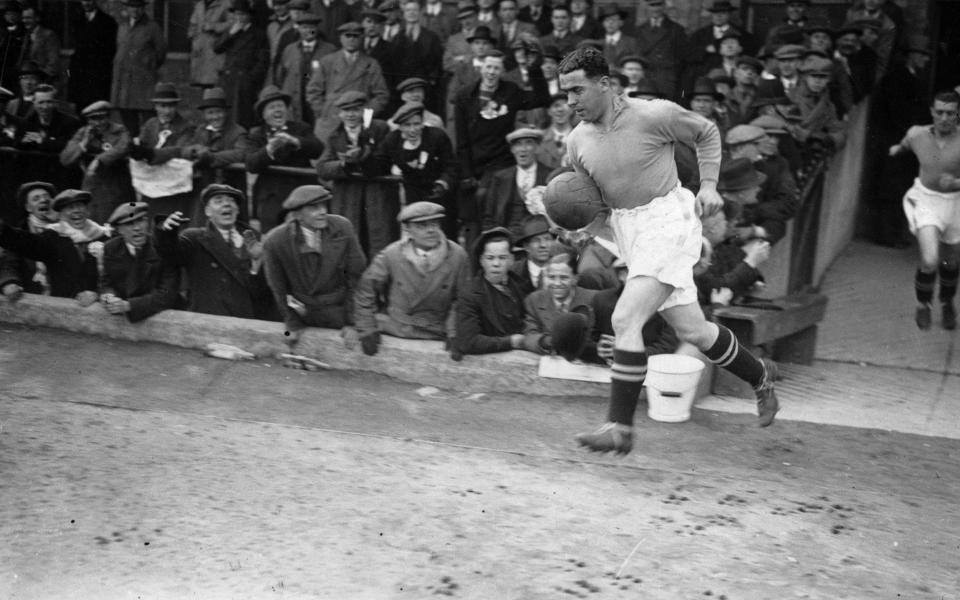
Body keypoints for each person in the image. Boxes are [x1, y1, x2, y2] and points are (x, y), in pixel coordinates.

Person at [556, 47, 779, 455]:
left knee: (626, 318)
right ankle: (760, 376)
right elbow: (591, 203)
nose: (570, 102)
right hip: (628, 231)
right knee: (694, 330)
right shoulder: (576, 142)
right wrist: (581, 229)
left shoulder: (652, 114)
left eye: (576, 91)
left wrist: (709, 184)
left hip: (669, 221)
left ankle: (619, 427)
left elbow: (707, 132)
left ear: (605, 84)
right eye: (564, 94)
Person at [353, 201, 469, 356]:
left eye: (434, 224)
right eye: (421, 226)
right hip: (398, 327)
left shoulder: (457, 255)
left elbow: (463, 299)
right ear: (407, 229)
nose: (431, 230)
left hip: (438, 330)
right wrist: (366, 328)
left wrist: (454, 331)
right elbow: (365, 291)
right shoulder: (391, 254)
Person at [889, 90, 960, 331]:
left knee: (950, 263)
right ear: (932, 112)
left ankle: (947, 301)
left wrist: (957, 183)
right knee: (930, 260)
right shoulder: (917, 133)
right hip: (927, 200)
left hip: (955, 204)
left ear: (957, 114)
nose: (944, 117)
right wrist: (897, 149)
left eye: (950, 113)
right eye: (939, 112)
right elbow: (906, 143)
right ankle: (923, 304)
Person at [262, 185, 367, 347]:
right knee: (288, 341)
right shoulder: (275, 241)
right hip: (304, 315)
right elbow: (279, 288)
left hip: (341, 312)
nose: (322, 211)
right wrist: (291, 324)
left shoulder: (342, 227)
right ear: (297, 215)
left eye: (324, 205)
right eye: (314, 207)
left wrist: (353, 323)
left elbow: (357, 278)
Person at [157, 184, 275, 320]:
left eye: (231, 201)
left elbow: (264, 292)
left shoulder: (256, 240)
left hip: (245, 322)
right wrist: (167, 233)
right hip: (208, 320)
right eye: (218, 201)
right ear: (208, 211)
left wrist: (256, 265)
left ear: (237, 210)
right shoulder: (195, 238)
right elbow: (170, 254)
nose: (227, 204)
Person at [316, 90, 394, 256]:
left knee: (379, 243)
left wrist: (363, 156)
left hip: (376, 196)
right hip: (348, 198)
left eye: (355, 110)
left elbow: (385, 159)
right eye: (346, 111)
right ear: (340, 113)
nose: (350, 115)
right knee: (351, 243)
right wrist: (344, 164)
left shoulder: (380, 129)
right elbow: (322, 167)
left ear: (364, 111)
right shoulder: (335, 136)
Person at [0, 189, 107, 304]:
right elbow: (27, 242)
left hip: (102, 307)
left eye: (80, 206)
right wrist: (2, 230)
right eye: (70, 208)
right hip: (64, 308)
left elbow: (115, 276)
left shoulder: (105, 236)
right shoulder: (53, 237)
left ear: (87, 210)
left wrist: (97, 294)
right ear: (61, 215)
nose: (76, 211)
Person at [245, 85, 324, 231]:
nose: (278, 110)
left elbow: (318, 149)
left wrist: (295, 141)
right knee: (273, 239)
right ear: (263, 114)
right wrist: (269, 149)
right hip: (271, 197)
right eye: (272, 107)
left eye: (280, 106)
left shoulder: (301, 128)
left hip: (301, 194)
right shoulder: (257, 134)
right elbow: (251, 164)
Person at [373, 101, 456, 234]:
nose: (413, 129)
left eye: (417, 124)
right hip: (412, 194)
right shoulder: (392, 140)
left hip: (439, 193)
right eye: (407, 125)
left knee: (443, 232)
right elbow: (379, 164)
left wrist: (443, 183)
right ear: (400, 127)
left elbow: (451, 166)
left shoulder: (437, 136)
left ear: (422, 123)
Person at [173, 87, 253, 222]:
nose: (215, 117)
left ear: (226, 112)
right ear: (204, 115)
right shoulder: (200, 130)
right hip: (204, 190)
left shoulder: (238, 132)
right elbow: (186, 149)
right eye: (210, 113)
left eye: (218, 112)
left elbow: (241, 154)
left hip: (230, 191)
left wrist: (210, 157)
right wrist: (196, 151)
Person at [305, 21, 391, 140]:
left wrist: (365, 114)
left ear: (362, 38)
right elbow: (313, 91)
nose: (351, 39)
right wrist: (323, 111)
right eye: (348, 36)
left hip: (357, 120)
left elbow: (382, 95)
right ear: (340, 38)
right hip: (330, 119)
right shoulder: (327, 61)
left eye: (356, 36)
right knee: (324, 155)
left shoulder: (370, 64)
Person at [456, 226, 534, 355]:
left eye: (502, 257)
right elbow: (468, 341)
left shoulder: (523, 287)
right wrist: (510, 342)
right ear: (481, 261)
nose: (496, 264)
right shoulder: (470, 294)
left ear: (511, 260)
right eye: (490, 258)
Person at [99, 201, 180, 322]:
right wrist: (108, 297)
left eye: (141, 220)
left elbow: (167, 294)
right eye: (129, 223)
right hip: (126, 323)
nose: (137, 228)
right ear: (119, 229)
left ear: (147, 222)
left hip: (168, 319)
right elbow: (106, 282)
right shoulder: (111, 248)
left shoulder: (162, 248)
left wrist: (129, 305)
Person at [60, 101, 134, 224]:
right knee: (93, 222)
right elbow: (65, 158)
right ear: (88, 120)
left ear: (108, 117)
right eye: (93, 119)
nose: (98, 123)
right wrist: (83, 143)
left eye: (102, 118)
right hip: (93, 186)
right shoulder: (83, 132)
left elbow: (123, 147)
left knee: (119, 220)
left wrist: (99, 160)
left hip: (117, 184)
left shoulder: (119, 130)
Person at [521, 244, 599, 361]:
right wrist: (548, 341)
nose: (557, 283)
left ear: (575, 279)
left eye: (563, 277)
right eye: (552, 277)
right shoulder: (534, 300)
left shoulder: (594, 299)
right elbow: (528, 337)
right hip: (549, 363)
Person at [479, 127, 551, 236]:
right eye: (518, 144)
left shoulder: (550, 176)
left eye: (528, 143)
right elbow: (489, 217)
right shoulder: (500, 178)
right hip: (508, 237)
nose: (523, 149)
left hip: (540, 237)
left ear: (537, 148)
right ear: (512, 149)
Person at [111, 0, 167, 135]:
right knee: (128, 119)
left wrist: (147, 64)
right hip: (124, 82)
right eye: (132, 7)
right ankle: (133, 148)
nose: (135, 11)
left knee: (148, 119)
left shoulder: (152, 27)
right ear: (126, 8)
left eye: (138, 7)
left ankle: (148, 149)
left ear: (143, 8)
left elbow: (161, 53)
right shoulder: (123, 26)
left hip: (143, 81)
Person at [215, 0, 269, 128]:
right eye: (237, 14)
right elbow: (217, 48)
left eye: (243, 15)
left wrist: (250, 79)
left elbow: (263, 61)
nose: (240, 18)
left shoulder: (258, 34)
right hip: (228, 80)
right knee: (227, 113)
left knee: (243, 115)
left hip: (245, 82)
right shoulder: (232, 32)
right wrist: (231, 34)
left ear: (249, 16)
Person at [0, 181, 58, 298]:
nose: (43, 200)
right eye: (36, 199)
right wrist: (10, 282)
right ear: (28, 207)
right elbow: (9, 263)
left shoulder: (68, 229)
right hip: (32, 297)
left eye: (47, 197)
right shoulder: (19, 234)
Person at [67, 0, 118, 111]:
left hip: (99, 79)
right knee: (81, 115)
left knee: (98, 115)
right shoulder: (77, 20)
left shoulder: (108, 22)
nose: (86, 3)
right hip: (81, 79)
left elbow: (111, 53)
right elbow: (76, 52)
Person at [634, 0, 686, 102]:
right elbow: (637, 54)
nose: (656, 8)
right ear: (647, 7)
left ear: (664, 6)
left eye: (659, 5)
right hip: (646, 78)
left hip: (666, 79)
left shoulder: (676, 29)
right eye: (652, 5)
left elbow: (682, 58)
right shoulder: (640, 30)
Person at [188, 0, 232, 88]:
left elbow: (232, 22)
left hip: (215, 49)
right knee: (200, 86)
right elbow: (193, 22)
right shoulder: (200, 4)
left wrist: (214, 26)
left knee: (213, 84)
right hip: (199, 49)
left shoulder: (225, 4)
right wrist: (192, 34)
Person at [19, 6, 61, 89]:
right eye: (23, 18)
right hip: (26, 83)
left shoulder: (48, 35)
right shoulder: (25, 36)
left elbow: (53, 63)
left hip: (43, 83)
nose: (24, 21)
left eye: (28, 18)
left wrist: (41, 80)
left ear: (37, 18)